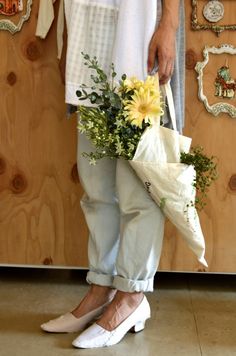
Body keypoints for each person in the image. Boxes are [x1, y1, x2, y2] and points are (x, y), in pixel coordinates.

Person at [41, 0, 185, 349]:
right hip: (89, 32)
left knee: (139, 184)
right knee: (96, 184)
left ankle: (132, 296)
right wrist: (67, 35)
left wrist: (169, 24)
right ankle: (101, 288)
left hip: (139, 34)